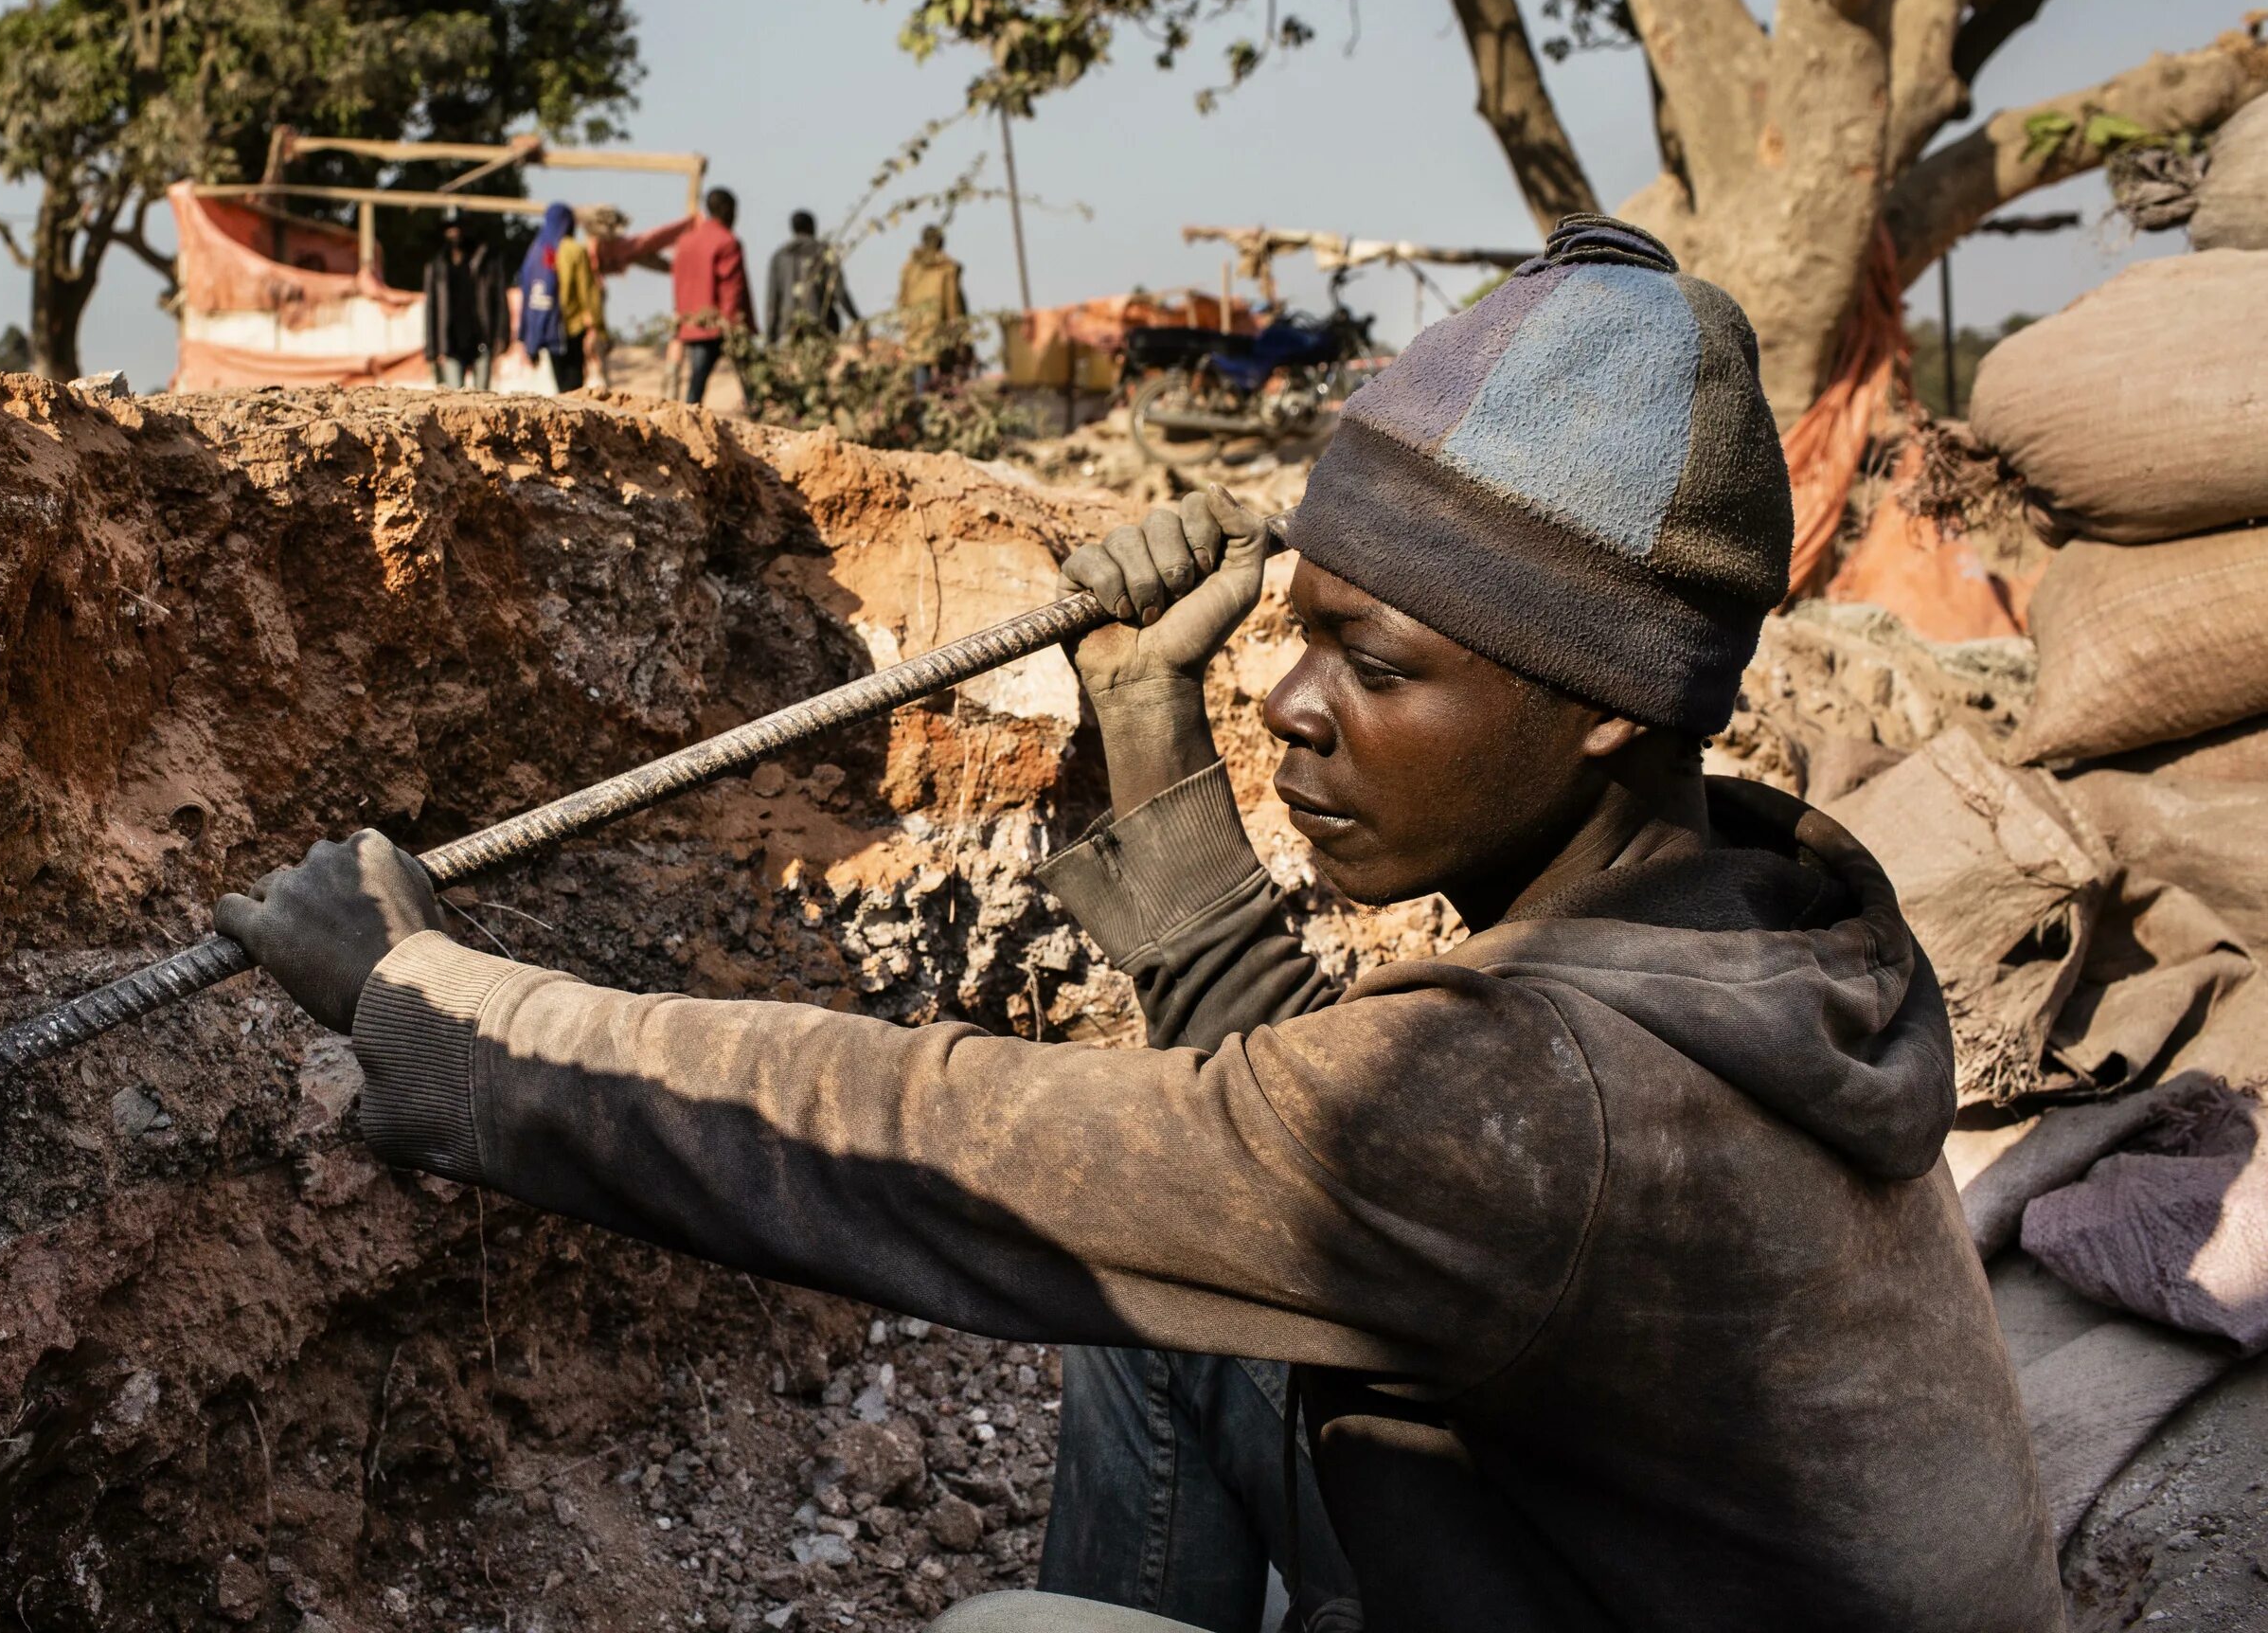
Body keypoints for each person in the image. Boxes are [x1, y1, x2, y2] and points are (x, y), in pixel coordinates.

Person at [215, 216, 2061, 1633]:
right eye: (1303, 627)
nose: (1298, 701)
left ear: (1597, 705)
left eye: (1377, 659)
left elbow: (932, 1143)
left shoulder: (1544, 1104)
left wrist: (431, 999)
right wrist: (1147, 717)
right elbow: (1291, 1140)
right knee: (1172, 1325)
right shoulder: (1736, 894)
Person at [669, 187, 754, 407]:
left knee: (696, 382)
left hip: (692, 322)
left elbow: (678, 282)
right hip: (721, 324)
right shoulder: (728, 242)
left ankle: (687, 420)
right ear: (728, 210)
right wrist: (733, 324)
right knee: (750, 382)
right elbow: (732, 289)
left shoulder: (685, 241)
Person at [422, 218, 509, 389]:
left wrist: (501, 335)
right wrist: (432, 348)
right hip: (451, 344)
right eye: (450, 229)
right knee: (455, 402)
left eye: (458, 228)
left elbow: (499, 300)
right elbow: (431, 308)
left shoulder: (486, 263)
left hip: (482, 340)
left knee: (483, 400)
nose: (455, 233)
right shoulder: (437, 266)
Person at [514, 202, 583, 395]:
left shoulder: (534, 252)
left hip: (543, 328)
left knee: (561, 383)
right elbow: (586, 292)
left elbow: (527, 295)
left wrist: (529, 336)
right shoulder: (572, 249)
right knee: (574, 386)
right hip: (569, 327)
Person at [764, 208, 858, 342]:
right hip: (821, 327)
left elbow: (772, 302)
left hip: (788, 329)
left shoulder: (779, 257)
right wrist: (857, 320)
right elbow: (839, 291)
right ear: (812, 227)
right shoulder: (823, 252)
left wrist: (770, 338)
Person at [898, 224, 973, 386]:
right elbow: (954, 306)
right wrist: (961, 336)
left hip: (916, 330)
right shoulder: (947, 269)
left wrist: (908, 325)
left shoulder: (909, 268)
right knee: (946, 381)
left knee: (920, 371)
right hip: (941, 332)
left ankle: (923, 404)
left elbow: (902, 302)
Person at [555, 210, 611, 394]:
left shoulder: (551, 249)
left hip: (558, 326)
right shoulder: (577, 252)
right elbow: (586, 294)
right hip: (579, 326)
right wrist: (599, 328)